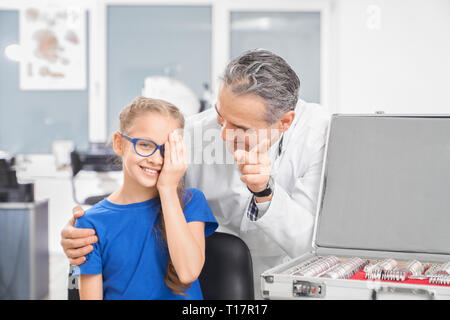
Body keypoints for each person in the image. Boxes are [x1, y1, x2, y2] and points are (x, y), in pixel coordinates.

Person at [61, 49, 329, 299]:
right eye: (220, 116)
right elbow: (141, 201)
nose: (222, 133)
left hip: (290, 279)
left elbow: (312, 247)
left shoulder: (320, 138)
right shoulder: (190, 135)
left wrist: (265, 194)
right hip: (209, 277)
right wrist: (87, 231)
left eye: (240, 127)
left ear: (284, 122)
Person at [72, 97, 218, 299]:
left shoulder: (191, 202)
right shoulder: (90, 223)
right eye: (145, 145)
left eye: (167, 149)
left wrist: (167, 189)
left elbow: (188, 272)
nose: (156, 159)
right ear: (119, 143)